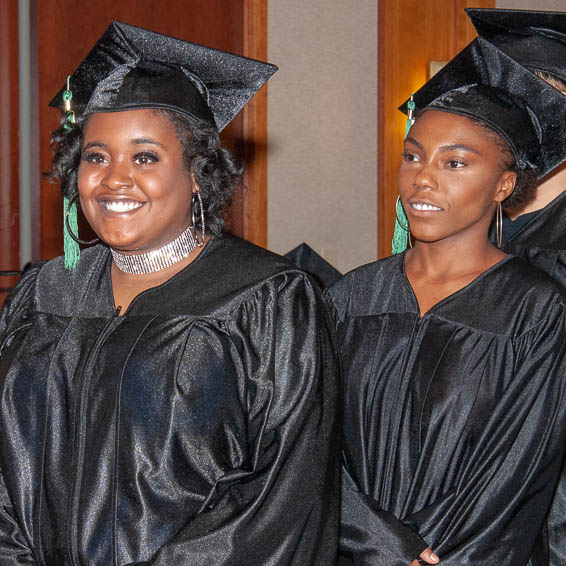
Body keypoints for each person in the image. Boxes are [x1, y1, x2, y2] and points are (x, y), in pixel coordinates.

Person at [0, 22, 340, 565]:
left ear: (198, 174)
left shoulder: (266, 299)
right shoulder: (44, 291)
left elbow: (280, 492)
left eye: (145, 157)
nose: (114, 179)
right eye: (95, 156)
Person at [326, 40, 566, 566]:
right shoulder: (349, 298)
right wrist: (382, 545)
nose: (423, 178)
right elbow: (309, 442)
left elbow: (518, 465)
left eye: (455, 163)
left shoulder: (535, 310)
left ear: (504, 184)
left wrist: (435, 554)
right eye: (413, 156)